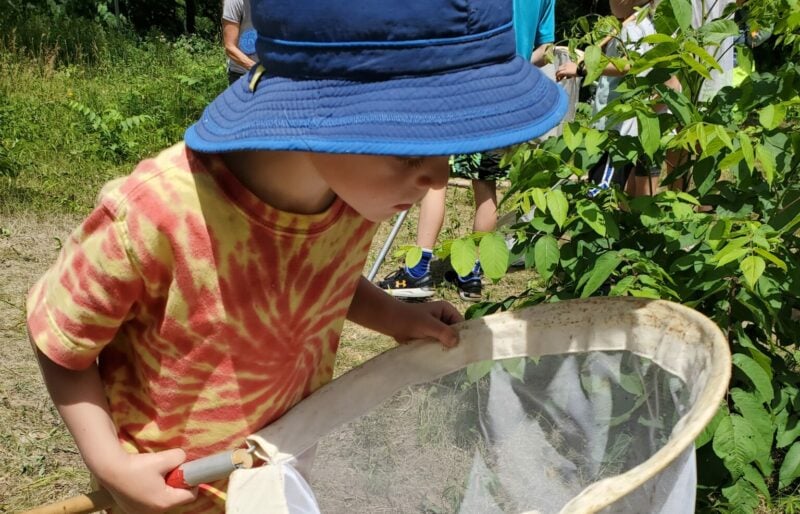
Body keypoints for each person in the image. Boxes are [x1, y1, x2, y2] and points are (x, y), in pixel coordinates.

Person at [26, 0, 567, 512]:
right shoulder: (156, 214)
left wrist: (394, 315)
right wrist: (111, 465)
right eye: (409, 148)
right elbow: (59, 340)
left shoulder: (350, 198)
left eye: (446, 147)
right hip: (169, 489)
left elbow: (321, 277)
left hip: (275, 471)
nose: (437, 177)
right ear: (313, 112)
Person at [378, 0, 558, 302]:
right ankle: (471, 273)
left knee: (436, 178)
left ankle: (417, 270)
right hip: (509, 97)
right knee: (486, 185)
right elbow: (548, 48)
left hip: (469, 92)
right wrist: (520, 61)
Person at [556, 0, 678, 197]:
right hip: (637, 123)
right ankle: (632, 223)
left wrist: (582, 68)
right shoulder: (649, 23)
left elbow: (628, 64)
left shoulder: (633, 27)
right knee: (632, 184)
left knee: (602, 190)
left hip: (621, 127)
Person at [222, 0, 257, 84]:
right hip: (242, 75)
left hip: (271, 74)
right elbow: (230, 47)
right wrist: (258, 69)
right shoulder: (234, 2)